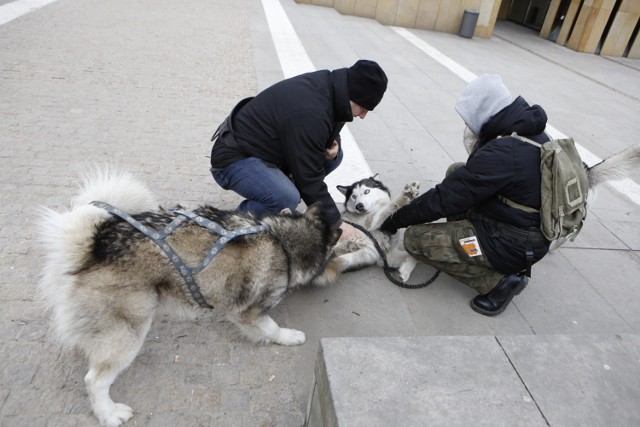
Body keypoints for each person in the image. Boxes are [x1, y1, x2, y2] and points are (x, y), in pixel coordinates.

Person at [380, 74, 551, 316]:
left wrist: (395, 220)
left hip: (512, 244)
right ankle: (468, 241)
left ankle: (498, 283)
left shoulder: (503, 153)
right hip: (525, 226)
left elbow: (443, 199)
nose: (469, 126)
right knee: (457, 171)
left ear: (485, 112)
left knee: (416, 239)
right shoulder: (528, 133)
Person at [209, 59, 388, 241]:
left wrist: (334, 142)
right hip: (234, 158)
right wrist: (337, 224)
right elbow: (308, 177)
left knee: (335, 156)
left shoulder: (335, 89)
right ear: (352, 95)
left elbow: (326, 126)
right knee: (286, 198)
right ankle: (230, 223)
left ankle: (276, 194)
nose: (363, 116)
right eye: (363, 108)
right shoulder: (310, 111)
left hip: (268, 151)